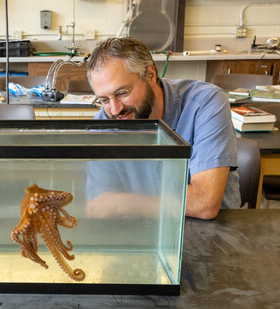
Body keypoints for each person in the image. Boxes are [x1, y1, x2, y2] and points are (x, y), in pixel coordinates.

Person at [86, 37, 240, 220]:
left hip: (210, 235)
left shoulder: (205, 103)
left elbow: (204, 204)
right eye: (104, 100)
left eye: (122, 93)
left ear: (150, 75)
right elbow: (98, 206)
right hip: (142, 231)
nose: (115, 109)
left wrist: (120, 203)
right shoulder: (104, 122)